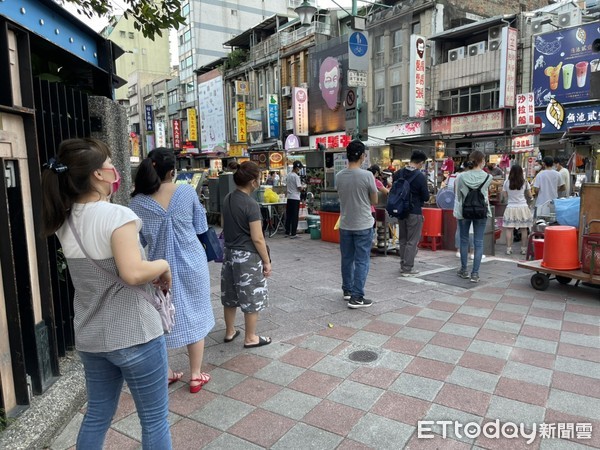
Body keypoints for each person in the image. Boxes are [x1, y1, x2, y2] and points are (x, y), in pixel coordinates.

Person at [41, 138, 172, 448]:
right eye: (111, 164)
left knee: (97, 414)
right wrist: (163, 264)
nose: (116, 169)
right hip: (135, 333)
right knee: (154, 419)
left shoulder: (66, 221)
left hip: (92, 336)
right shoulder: (117, 216)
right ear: (98, 174)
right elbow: (133, 272)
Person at [130, 148, 215, 394]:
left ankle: (167, 373)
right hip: (192, 263)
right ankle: (196, 375)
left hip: (158, 267)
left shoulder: (137, 202)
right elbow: (201, 226)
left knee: (161, 316)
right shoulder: (186, 192)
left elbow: (140, 241)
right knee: (195, 313)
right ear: (171, 171)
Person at [221, 161, 272, 348]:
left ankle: (229, 331)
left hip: (229, 254)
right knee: (251, 296)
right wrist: (266, 261)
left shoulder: (227, 198)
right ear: (253, 182)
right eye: (258, 178)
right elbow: (257, 238)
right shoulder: (251, 204)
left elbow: (223, 222)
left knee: (230, 295)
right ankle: (251, 337)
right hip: (247, 257)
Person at [336, 140, 378, 308]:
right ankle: (357, 296)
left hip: (345, 223)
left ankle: (347, 290)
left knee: (347, 259)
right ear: (362, 156)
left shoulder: (339, 176)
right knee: (362, 260)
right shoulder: (367, 175)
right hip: (363, 223)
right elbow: (374, 200)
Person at [454, 150, 493, 283]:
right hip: (481, 211)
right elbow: (486, 195)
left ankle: (464, 270)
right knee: (479, 242)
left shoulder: (461, 177)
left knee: (464, 240)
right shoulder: (488, 177)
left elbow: (459, 196)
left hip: (465, 211)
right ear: (482, 161)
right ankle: (475, 274)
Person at [392, 150, 430, 276]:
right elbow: (425, 197)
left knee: (402, 239)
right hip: (414, 211)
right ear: (421, 163)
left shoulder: (398, 173)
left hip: (400, 210)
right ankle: (408, 268)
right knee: (412, 241)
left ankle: (403, 264)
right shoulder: (420, 176)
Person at [501, 164, 533, 255]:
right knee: (524, 229)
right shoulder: (525, 182)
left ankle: (508, 248)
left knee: (509, 229)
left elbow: (504, 195)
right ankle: (523, 249)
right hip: (523, 207)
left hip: (511, 207)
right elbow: (530, 195)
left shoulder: (507, 182)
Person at [285, 160, 305, 238]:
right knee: (294, 216)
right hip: (295, 198)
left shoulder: (289, 175)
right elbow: (299, 187)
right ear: (297, 168)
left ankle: (287, 231)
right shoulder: (296, 176)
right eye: (299, 168)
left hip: (289, 198)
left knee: (289, 215)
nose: (299, 170)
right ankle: (293, 233)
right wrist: (303, 188)